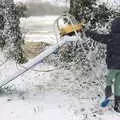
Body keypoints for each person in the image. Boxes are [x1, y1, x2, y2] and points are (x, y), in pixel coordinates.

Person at [85, 17, 120, 112]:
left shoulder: (110, 37)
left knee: (109, 81)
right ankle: (118, 104)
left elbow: (98, 37)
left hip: (113, 66)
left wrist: (88, 32)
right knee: (118, 84)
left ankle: (108, 96)